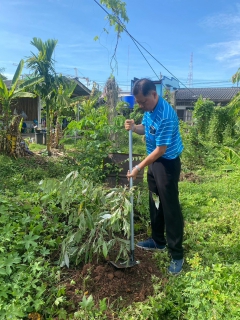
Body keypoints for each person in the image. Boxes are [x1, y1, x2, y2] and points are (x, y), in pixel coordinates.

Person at [124, 78, 184, 275]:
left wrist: (138, 167)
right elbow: (146, 129)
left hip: (166, 164)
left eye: (143, 102)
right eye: (138, 103)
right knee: (155, 201)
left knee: (170, 207)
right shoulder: (150, 110)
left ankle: (177, 254)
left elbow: (160, 149)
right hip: (154, 163)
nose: (141, 106)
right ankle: (158, 240)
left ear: (154, 94)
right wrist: (134, 127)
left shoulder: (166, 115)